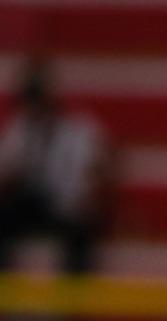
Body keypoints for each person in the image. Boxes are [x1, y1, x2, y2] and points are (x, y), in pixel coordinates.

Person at [0, 57, 111, 274]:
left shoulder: (80, 131)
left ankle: (73, 300)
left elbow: (96, 174)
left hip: (68, 206)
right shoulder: (20, 129)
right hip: (32, 204)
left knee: (83, 229)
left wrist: (87, 196)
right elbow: (6, 173)